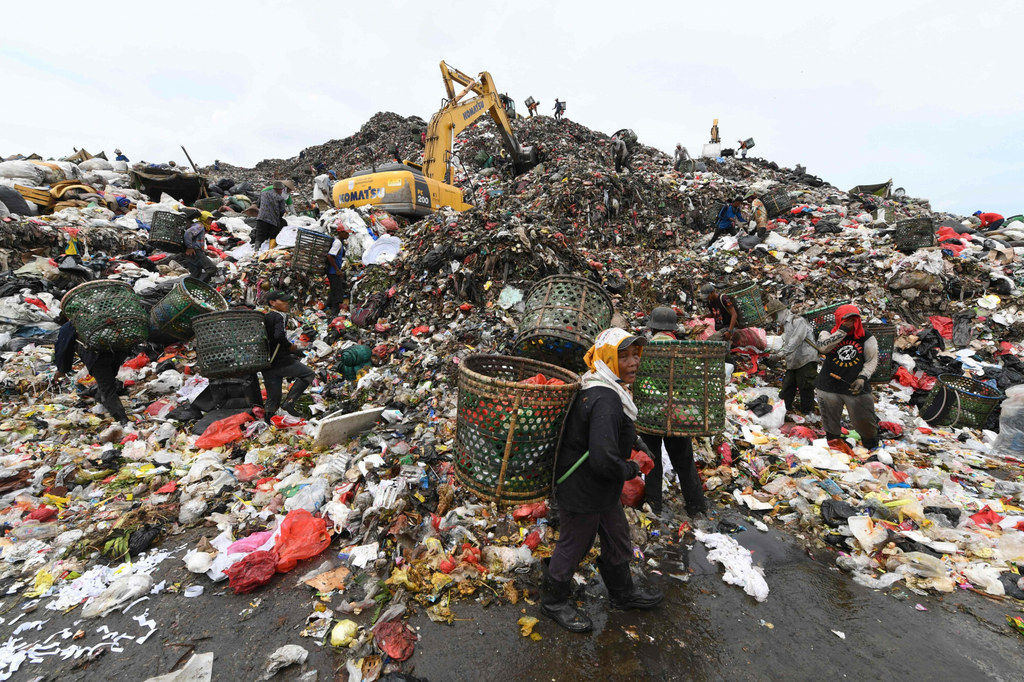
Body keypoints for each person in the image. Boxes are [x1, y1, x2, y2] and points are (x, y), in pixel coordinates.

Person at [543, 328, 663, 633]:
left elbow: (612, 429)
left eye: (636, 354)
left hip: (600, 488)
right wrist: (632, 468)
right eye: (623, 356)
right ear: (607, 358)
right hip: (582, 488)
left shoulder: (605, 387)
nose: (634, 361)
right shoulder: (605, 397)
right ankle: (553, 601)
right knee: (574, 544)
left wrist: (636, 441)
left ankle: (622, 594)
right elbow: (602, 458)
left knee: (617, 535)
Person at [638, 307, 708, 520]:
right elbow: (690, 384)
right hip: (677, 413)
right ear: (672, 328)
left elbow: (640, 381)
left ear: (652, 327)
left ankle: (654, 504)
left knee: (652, 459)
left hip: (651, 413)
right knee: (684, 460)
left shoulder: (647, 349)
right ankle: (696, 506)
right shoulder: (682, 350)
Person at [814, 304, 879, 449]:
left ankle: (871, 449)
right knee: (830, 422)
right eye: (846, 320)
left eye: (854, 320)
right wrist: (842, 330)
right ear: (838, 319)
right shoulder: (828, 332)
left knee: (865, 422)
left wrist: (863, 377)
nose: (851, 323)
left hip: (855, 387)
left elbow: (871, 360)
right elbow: (823, 348)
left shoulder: (866, 337)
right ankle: (835, 449)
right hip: (828, 386)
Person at [53, 321, 130, 423]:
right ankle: (99, 397)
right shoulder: (103, 319)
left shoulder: (71, 326)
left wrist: (61, 369)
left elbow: (64, 348)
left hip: (97, 357)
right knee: (108, 381)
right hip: (118, 353)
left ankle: (123, 421)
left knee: (107, 387)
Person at [261, 291, 315, 417]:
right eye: (283, 301)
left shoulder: (266, 317)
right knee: (308, 374)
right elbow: (278, 336)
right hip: (281, 360)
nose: (287, 303)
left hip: (267, 363)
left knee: (273, 399)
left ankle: (268, 423)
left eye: (287, 300)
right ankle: (289, 404)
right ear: (272, 303)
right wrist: (290, 346)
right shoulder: (280, 315)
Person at [774, 306, 818, 417]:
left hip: (806, 359)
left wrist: (780, 355)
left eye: (775, 316)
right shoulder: (786, 324)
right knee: (788, 385)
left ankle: (808, 414)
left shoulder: (798, 321)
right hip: (794, 360)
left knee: (806, 387)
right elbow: (788, 342)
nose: (775, 319)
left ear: (780, 312)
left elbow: (795, 341)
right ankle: (783, 410)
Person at [254, 181, 288, 248]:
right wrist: (278, 217)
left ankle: (256, 250)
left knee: (259, 237)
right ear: (279, 189)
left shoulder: (263, 193)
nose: (281, 191)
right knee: (273, 235)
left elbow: (258, 204)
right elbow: (282, 211)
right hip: (273, 221)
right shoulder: (280, 198)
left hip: (261, 218)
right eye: (281, 190)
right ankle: (270, 250)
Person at [325, 228, 347, 315]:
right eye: (346, 233)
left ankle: (328, 305)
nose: (348, 236)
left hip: (333, 271)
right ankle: (334, 311)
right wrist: (337, 270)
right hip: (333, 271)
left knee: (335, 288)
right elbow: (330, 256)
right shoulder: (337, 243)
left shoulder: (339, 242)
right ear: (341, 233)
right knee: (336, 291)